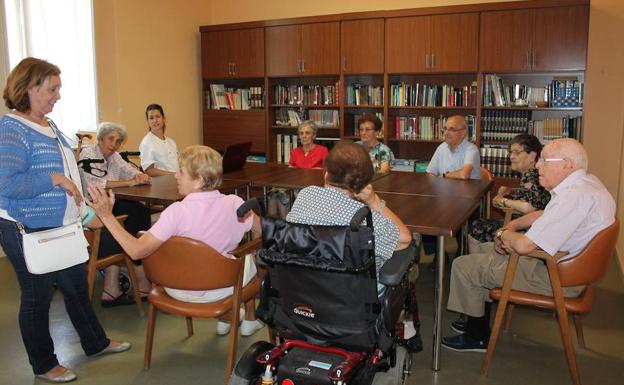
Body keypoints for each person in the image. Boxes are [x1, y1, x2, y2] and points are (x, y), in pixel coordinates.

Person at [0, 57, 130, 383]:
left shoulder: (47, 124)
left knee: (75, 287)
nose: (58, 95)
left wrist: (87, 206)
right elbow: (6, 183)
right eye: (52, 89)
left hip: (60, 224)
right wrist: (54, 179)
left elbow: (71, 173)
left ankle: (95, 342)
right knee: (36, 297)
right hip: (23, 226)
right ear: (28, 88)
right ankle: (43, 364)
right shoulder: (11, 129)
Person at [442, 138, 615, 352]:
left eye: (544, 160)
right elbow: (543, 214)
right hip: (567, 266)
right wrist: (513, 225)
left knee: (463, 265)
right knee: (486, 251)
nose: (538, 165)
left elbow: (524, 246)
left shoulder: (573, 197)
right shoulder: (587, 184)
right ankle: (476, 315)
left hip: (555, 276)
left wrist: (502, 232)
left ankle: (477, 336)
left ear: (567, 164)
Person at [87, 145, 265, 337]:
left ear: (198, 181)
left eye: (181, 172)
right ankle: (249, 320)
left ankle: (227, 318)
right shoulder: (235, 204)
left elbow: (136, 251)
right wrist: (252, 251)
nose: (176, 176)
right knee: (246, 258)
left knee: (218, 263)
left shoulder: (175, 212)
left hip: (176, 288)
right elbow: (263, 231)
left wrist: (107, 217)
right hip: (221, 287)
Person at [286, 141, 422, 351]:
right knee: (408, 260)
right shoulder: (364, 219)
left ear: (326, 173)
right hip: (353, 303)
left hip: (302, 295)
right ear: (364, 184)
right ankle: (401, 324)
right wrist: (375, 201)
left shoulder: (304, 196)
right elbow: (405, 239)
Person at [79, 122, 152, 306]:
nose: (114, 144)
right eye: (111, 139)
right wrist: (128, 184)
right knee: (138, 213)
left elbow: (129, 171)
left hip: (110, 203)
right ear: (101, 138)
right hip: (93, 208)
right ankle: (140, 269)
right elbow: (95, 184)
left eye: (118, 141)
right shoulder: (87, 154)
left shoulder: (115, 156)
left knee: (140, 211)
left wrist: (139, 175)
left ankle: (137, 268)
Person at [468, 134, 550, 253]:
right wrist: (512, 190)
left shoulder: (530, 175)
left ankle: (478, 264)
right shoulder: (536, 174)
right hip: (534, 229)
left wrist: (503, 200)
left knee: (476, 225)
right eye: (510, 152)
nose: (511, 156)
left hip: (526, 232)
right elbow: (535, 195)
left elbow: (529, 207)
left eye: (517, 153)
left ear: (532, 156)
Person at [268, 120, 328, 218]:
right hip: (295, 185)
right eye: (301, 133)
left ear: (313, 135)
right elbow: (290, 172)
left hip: (313, 187)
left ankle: (285, 223)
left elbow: (326, 173)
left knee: (281, 193)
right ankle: (281, 222)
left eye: (307, 133)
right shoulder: (295, 152)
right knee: (276, 192)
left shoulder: (322, 150)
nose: (304, 136)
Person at [426, 115, 481, 179]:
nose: (446, 133)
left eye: (451, 129)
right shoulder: (441, 148)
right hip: (444, 188)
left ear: (463, 133)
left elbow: (464, 175)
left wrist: (444, 176)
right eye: (445, 129)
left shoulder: (471, 150)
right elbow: (430, 173)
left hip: (466, 188)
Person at [139, 103, 180, 176]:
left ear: (163, 118)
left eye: (157, 117)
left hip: (176, 182)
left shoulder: (171, 142)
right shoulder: (147, 142)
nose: (155, 120)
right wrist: (173, 175)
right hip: (160, 185)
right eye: (151, 118)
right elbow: (149, 170)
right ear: (148, 121)